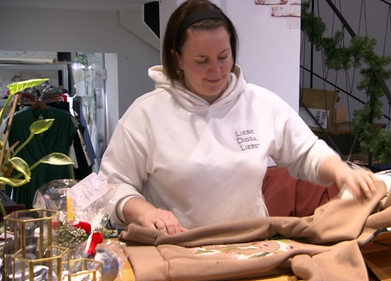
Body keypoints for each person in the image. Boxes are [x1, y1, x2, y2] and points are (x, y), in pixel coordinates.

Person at [99, 0, 377, 235]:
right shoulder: (146, 114)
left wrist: (340, 170)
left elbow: (304, 152)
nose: (216, 70)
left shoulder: (261, 103)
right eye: (201, 61)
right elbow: (112, 186)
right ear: (177, 59)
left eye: (223, 56)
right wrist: (144, 211)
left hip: (251, 247)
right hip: (177, 249)